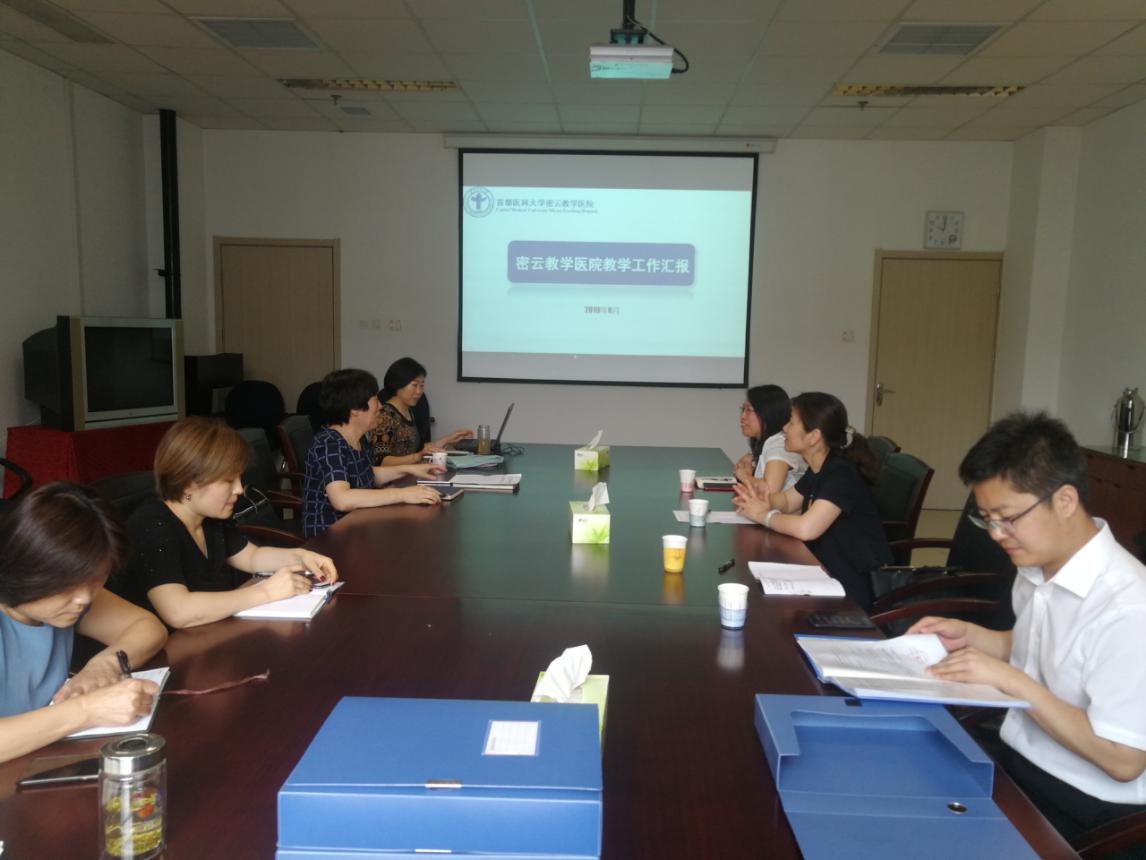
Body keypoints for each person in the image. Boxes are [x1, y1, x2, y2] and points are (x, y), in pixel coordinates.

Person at [909, 412, 1146, 840]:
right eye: (987, 519)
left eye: (1008, 517)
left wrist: (1012, 681)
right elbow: (1041, 647)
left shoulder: (1129, 607)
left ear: (1065, 500)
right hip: (1020, 758)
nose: (996, 534)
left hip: (1086, 805)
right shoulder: (1037, 565)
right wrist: (971, 636)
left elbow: (1124, 760)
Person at [0, 483, 167, 763]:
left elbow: (147, 626)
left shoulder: (69, 600)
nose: (86, 598)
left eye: (96, 579)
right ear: (27, 568)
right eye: (69, 584)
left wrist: (104, 665)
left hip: (43, 760)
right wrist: (87, 710)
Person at [117, 417, 339, 629]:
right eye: (228, 480)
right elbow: (178, 612)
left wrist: (302, 557)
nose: (239, 489)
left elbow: (252, 557)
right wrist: (265, 593)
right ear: (188, 482)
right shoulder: (151, 525)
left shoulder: (208, 517)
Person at [733, 391, 891, 609]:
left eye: (791, 422)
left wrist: (762, 515)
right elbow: (787, 501)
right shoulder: (819, 468)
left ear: (813, 436)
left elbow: (806, 528)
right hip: (823, 570)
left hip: (852, 588)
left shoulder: (841, 475)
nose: (784, 428)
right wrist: (762, 500)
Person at [304, 368, 445, 536]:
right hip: (330, 537)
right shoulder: (329, 443)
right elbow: (341, 499)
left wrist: (410, 469)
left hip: (359, 526)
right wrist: (402, 494)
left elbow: (366, 473)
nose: (380, 406)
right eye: (375, 400)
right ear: (355, 408)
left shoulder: (359, 438)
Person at [370, 357, 473, 466]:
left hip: (412, 473)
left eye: (422, 386)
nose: (419, 391)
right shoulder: (384, 415)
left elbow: (419, 450)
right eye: (414, 385)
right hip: (395, 477)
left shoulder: (408, 412)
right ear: (398, 384)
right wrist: (417, 456)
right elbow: (381, 461)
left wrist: (448, 439)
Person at [731, 384, 806, 496]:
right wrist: (749, 457)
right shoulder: (767, 441)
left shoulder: (779, 443)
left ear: (768, 413)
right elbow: (742, 465)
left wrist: (744, 475)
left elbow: (769, 490)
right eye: (743, 409)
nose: (742, 416)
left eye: (749, 410)